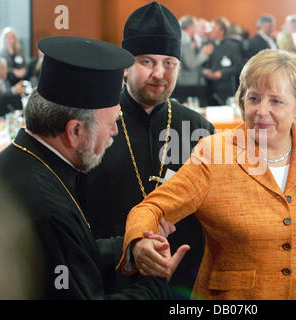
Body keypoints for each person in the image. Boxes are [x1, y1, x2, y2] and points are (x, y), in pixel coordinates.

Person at [117, 49, 296, 300]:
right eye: (254, 98)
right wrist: (140, 242)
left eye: (276, 101)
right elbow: (150, 208)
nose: (261, 111)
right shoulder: (214, 153)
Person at [0, 36, 183, 299]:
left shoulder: (19, 160)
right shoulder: (48, 209)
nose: (115, 131)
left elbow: (68, 254)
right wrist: (156, 282)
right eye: (111, 122)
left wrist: (129, 249)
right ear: (75, 131)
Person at [78, 2, 215, 299]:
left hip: (182, 281)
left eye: (169, 63)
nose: (159, 73)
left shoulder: (199, 128)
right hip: (109, 280)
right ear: (126, 66)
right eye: (147, 61)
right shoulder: (93, 123)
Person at [203, 17, 244, 105]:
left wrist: (222, 73)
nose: (211, 31)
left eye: (213, 28)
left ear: (221, 32)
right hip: (208, 88)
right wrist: (206, 71)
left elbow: (238, 67)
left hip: (226, 88)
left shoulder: (232, 47)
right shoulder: (207, 45)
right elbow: (202, 64)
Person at [177, 15, 214, 86]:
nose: (196, 29)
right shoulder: (185, 41)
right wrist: (204, 53)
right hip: (187, 82)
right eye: (195, 26)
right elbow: (191, 64)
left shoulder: (183, 38)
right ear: (189, 27)